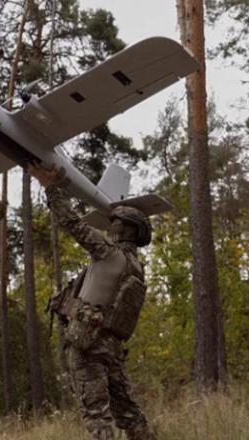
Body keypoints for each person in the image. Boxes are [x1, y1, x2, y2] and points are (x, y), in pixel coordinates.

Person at [29, 164, 156, 440]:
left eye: (115, 223)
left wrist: (50, 186)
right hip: (111, 349)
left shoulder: (109, 254)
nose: (111, 226)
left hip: (88, 344)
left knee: (97, 419)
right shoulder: (135, 266)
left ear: (123, 228)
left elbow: (72, 224)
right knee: (131, 416)